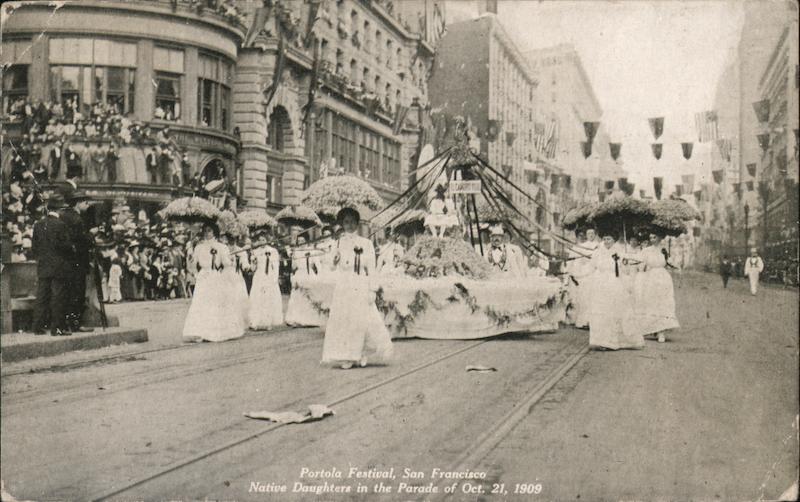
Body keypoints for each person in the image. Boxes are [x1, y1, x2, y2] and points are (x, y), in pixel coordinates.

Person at [321, 207, 393, 369]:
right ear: (342, 224)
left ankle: (359, 353)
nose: (349, 225)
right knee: (344, 320)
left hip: (359, 284)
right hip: (344, 286)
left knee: (360, 320)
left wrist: (372, 290)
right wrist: (334, 259)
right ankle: (346, 355)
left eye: (352, 222)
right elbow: (331, 266)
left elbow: (372, 269)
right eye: (346, 222)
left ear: (357, 224)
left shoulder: (366, 243)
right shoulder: (337, 243)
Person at [182, 222, 244, 342]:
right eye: (205, 230)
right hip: (204, 277)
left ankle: (215, 331)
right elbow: (193, 265)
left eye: (209, 230)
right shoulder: (198, 247)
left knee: (215, 304)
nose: (207, 233)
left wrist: (229, 259)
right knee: (201, 304)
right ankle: (200, 332)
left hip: (216, 277)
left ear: (214, 232)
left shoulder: (221, 247)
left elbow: (226, 263)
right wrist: (192, 261)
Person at [587, 229, 643, 350]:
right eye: (605, 239)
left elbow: (625, 271)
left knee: (615, 310)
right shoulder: (597, 252)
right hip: (600, 284)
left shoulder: (619, 253)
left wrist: (626, 263)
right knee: (601, 311)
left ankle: (614, 340)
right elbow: (591, 267)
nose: (606, 241)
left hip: (614, 283)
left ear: (614, 240)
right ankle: (601, 340)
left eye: (609, 239)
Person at [31, 193, 74, 336]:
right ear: (60, 210)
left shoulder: (38, 225)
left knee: (42, 296)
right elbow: (66, 247)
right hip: (59, 267)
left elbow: (34, 248)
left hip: (43, 266)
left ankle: (37, 327)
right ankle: (57, 328)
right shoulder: (61, 225)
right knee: (57, 298)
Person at [631, 233, 679, 343]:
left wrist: (675, 264)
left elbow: (669, 262)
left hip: (663, 279)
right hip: (651, 278)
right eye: (650, 238)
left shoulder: (664, 250)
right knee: (651, 302)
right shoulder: (646, 250)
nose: (652, 240)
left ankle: (661, 331)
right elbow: (638, 260)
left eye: (654, 237)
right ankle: (650, 328)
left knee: (663, 303)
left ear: (660, 238)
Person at [59, 189, 95, 332]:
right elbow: (81, 240)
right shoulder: (77, 219)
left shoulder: (63, 216)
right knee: (77, 293)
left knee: (67, 292)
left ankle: (68, 323)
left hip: (66, 261)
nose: (87, 205)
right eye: (85, 202)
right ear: (78, 203)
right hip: (78, 261)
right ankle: (75, 323)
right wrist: (91, 236)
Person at [285, 236, 326, 327]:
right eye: (299, 241)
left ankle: (311, 319)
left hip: (309, 274)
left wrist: (320, 276)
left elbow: (317, 265)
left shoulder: (312, 250)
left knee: (311, 295)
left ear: (306, 241)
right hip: (300, 274)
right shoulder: (296, 252)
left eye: (303, 240)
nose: (301, 242)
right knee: (298, 295)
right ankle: (297, 318)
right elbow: (293, 267)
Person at [247, 231, 284, 330]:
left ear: (267, 240)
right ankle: (256, 321)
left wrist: (275, 279)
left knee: (268, 298)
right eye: (259, 240)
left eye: (263, 240)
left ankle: (268, 322)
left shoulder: (273, 251)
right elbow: (253, 268)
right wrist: (253, 260)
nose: (261, 242)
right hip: (259, 276)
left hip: (269, 276)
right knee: (258, 298)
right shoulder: (256, 251)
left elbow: (276, 266)